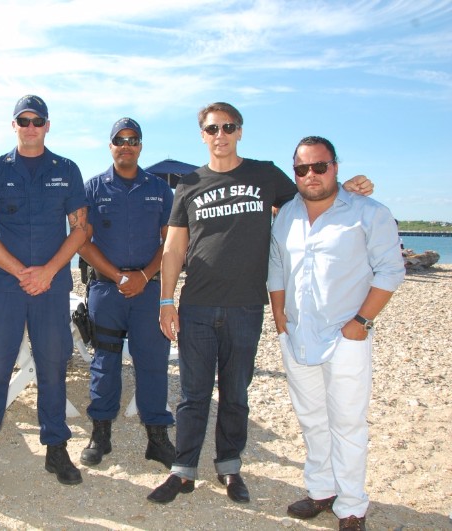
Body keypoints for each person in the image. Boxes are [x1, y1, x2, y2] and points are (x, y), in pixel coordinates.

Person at [149, 102, 374, 505]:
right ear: (203, 134)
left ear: (240, 131)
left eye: (228, 127)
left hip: (246, 306)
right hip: (197, 305)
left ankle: (230, 467)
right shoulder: (188, 184)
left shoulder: (264, 174)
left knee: (236, 393)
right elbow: (173, 245)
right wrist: (167, 299)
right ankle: (183, 471)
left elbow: (310, 196)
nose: (221, 134)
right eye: (213, 128)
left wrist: (347, 187)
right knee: (192, 395)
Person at [268, 136, 404, 531]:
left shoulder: (368, 212)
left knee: (347, 423)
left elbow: (391, 269)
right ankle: (321, 490)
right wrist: (280, 321)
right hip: (297, 335)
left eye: (319, 166)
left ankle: (351, 506)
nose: (311, 175)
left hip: (347, 338)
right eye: (302, 169)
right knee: (311, 418)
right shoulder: (286, 216)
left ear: (335, 166)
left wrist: (361, 323)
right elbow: (277, 268)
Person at [0, 94, 88, 489]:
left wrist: (48, 271)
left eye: (38, 121)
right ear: (13, 125)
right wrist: (20, 272)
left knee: (53, 364)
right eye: (23, 120)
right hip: (5, 285)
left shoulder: (66, 170)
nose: (30, 127)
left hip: (51, 285)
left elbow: (81, 228)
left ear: (48, 125)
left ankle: (55, 448)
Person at [77, 117, 175, 469]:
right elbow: (82, 243)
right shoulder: (92, 189)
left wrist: (146, 275)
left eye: (133, 139)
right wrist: (119, 277)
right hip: (107, 290)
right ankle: (100, 434)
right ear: (110, 146)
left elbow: (172, 242)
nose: (126, 145)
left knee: (152, 363)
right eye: (120, 139)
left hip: (149, 291)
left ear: (141, 146)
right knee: (105, 363)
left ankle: (157, 437)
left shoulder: (160, 189)